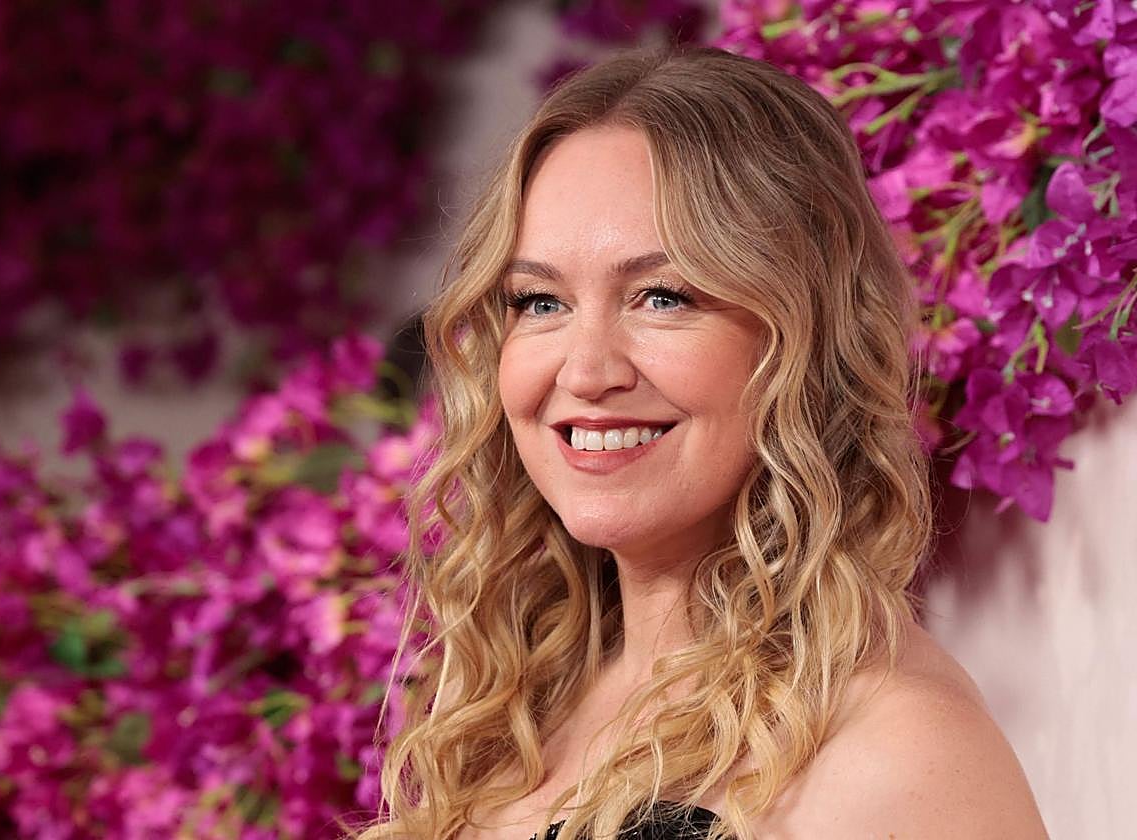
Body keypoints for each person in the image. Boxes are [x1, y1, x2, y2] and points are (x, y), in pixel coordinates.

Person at [353, 46, 1050, 840]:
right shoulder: (508, 712)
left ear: (807, 338)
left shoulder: (901, 749)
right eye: (540, 301)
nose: (585, 371)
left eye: (663, 296)